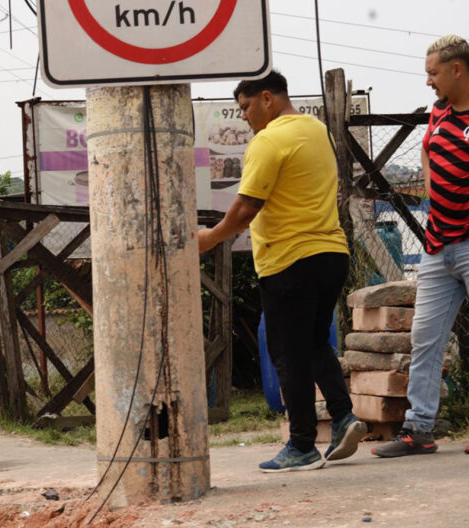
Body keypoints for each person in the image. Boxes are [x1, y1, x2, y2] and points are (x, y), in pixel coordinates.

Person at [197, 70, 367, 472]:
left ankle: (302, 444)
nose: (244, 118)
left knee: (287, 354)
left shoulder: (269, 140)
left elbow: (245, 208)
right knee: (313, 343)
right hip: (331, 253)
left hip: (290, 259)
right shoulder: (314, 128)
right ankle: (343, 417)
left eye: (246, 107)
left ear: (267, 98)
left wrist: (210, 237)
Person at [374, 35, 469, 458]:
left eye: (433, 72)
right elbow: (430, 154)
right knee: (425, 338)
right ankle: (419, 429)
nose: (428, 80)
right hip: (437, 245)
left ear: (457, 69)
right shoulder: (439, 112)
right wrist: (433, 192)